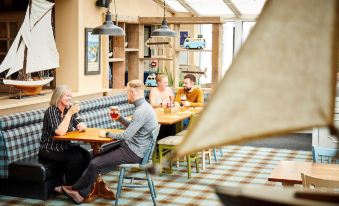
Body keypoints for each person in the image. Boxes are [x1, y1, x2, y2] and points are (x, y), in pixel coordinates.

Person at [61, 80, 158, 204]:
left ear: (132, 93)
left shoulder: (141, 111)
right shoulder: (145, 107)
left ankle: (75, 190)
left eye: (127, 92)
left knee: (95, 163)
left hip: (133, 152)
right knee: (96, 158)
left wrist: (106, 134)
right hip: (135, 150)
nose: (126, 95)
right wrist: (119, 118)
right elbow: (134, 126)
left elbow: (126, 135)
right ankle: (80, 193)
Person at [39, 85, 90, 194]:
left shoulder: (68, 109)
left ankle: (78, 184)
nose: (70, 98)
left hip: (64, 147)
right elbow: (60, 132)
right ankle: (69, 188)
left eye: (70, 96)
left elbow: (81, 124)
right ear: (59, 96)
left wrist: (81, 125)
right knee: (75, 158)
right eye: (67, 96)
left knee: (86, 155)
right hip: (49, 149)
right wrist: (70, 114)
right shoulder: (51, 111)